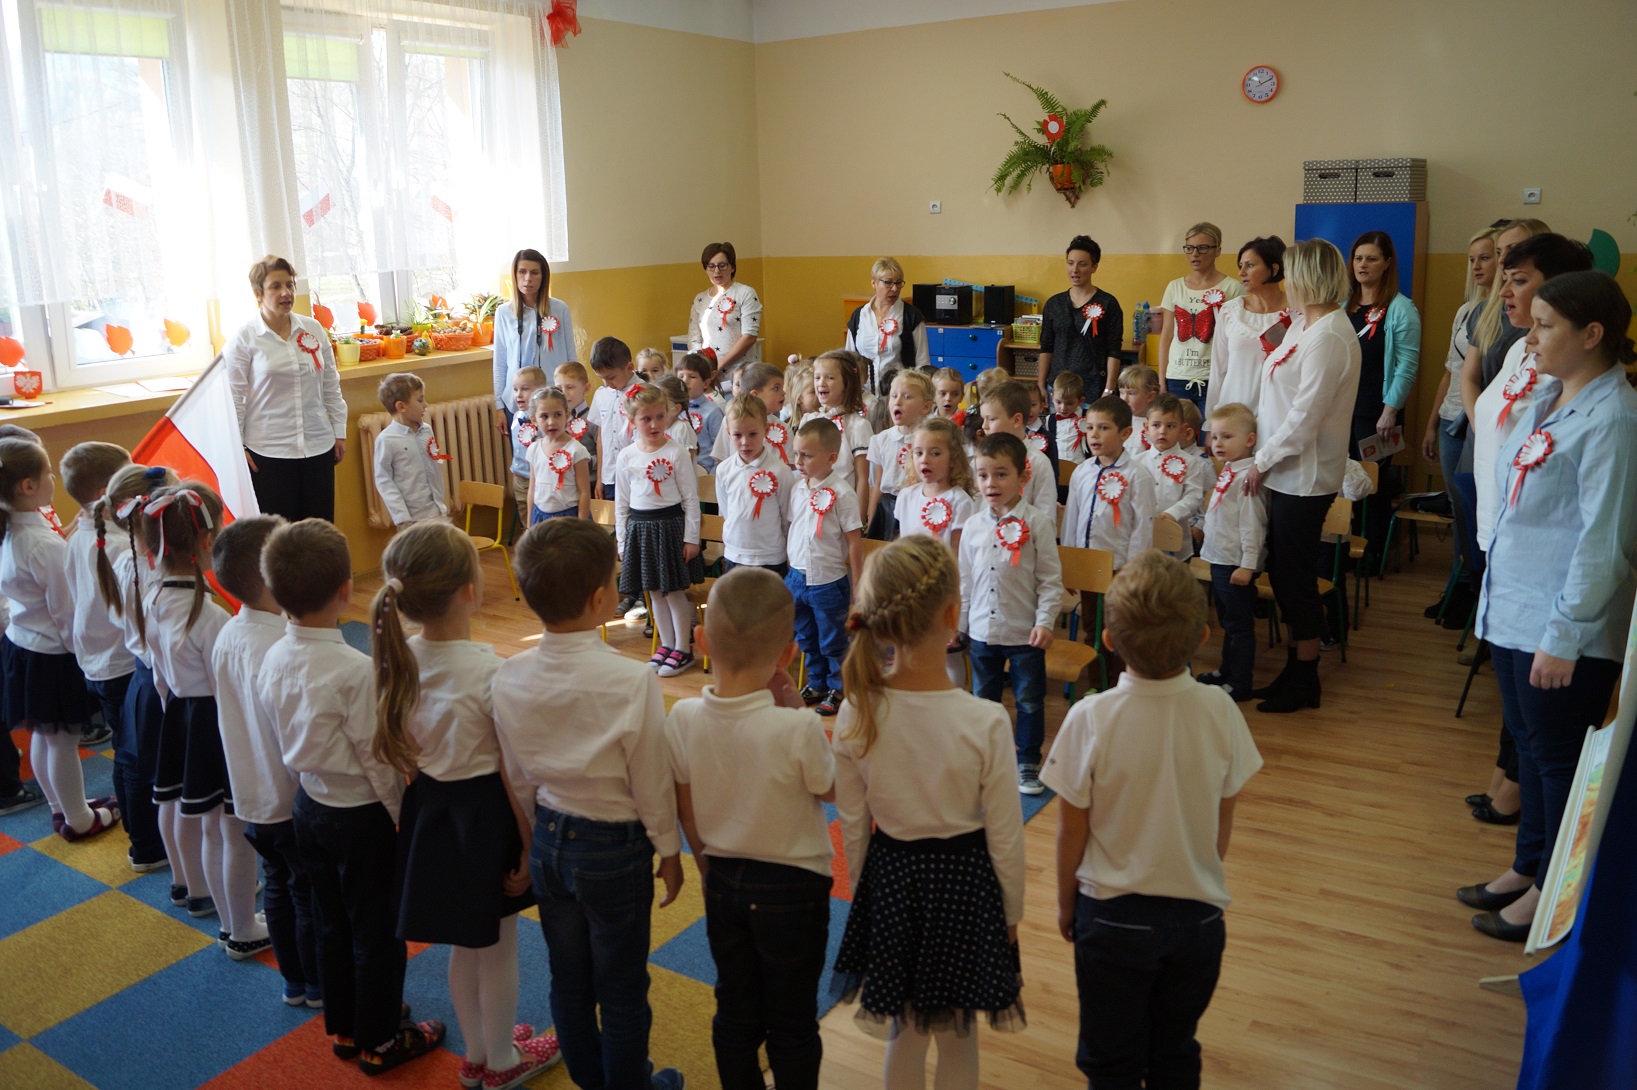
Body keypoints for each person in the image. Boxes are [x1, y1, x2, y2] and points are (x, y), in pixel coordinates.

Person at [1459, 271, 1637, 943]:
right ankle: (1527, 864)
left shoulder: (1614, 418)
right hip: (1515, 611)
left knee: (1557, 762)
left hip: (1560, 628)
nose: (1528, 338)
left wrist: (1565, 633)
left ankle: (1553, 895)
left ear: (1591, 335)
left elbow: (1604, 542)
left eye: (1543, 326)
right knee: (1528, 754)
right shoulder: (1554, 398)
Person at [1043, 550, 1262, 1090]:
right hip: (1198, 920)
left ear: (1109, 641)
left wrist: (1067, 904)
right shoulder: (1220, 710)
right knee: (1174, 1052)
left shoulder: (1090, 716)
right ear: (1203, 634)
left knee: (1110, 1060)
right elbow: (1223, 817)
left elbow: (1072, 829)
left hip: (1110, 918)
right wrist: (1197, 871)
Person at [493, 518, 687, 1090]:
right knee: (622, 988)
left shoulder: (508, 675)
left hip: (550, 840)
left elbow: (517, 777)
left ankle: (590, 1080)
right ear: (602, 599)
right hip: (614, 850)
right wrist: (669, 849)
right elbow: (651, 779)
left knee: (569, 981)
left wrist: (533, 840)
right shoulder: (632, 681)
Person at [369, 522, 561, 1085]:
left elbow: (405, 756)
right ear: (469, 593)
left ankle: (478, 1052)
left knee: (463, 943)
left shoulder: (398, 658)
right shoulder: (490, 672)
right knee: (497, 947)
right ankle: (501, 1061)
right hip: (484, 817)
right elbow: (514, 773)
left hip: (430, 812)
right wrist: (528, 845)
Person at [832, 536, 1027, 1087]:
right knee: (959, 1037)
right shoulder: (986, 721)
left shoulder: (855, 712)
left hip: (893, 884)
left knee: (907, 1031)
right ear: (951, 615)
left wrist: (867, 902)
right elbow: (1006, 838)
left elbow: (852, 830)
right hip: (965, 889)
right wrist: (1011, 914)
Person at [260, 519, 445, 1073]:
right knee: (377, 932)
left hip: (308, 807)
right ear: (346, 590)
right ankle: (380, 1040)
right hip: (361, 817)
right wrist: (400, 818)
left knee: (331, 922)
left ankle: (348, 1025)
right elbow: (378, 759)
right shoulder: (354, 671)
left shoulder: (274, 657)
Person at [667, 568, 836, 1090]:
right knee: (793, 1021)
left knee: (735, 1011)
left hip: (723, 879)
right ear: (789, 654)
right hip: (795, 889)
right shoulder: (799, 725)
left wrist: (704, 866)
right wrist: (795, 708)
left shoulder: (683, 717)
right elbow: (832, 790)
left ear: (700, 641)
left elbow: (686, 811)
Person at [141, 481, 270, 957]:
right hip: (216, 723)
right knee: (232, 831)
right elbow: (229, 687)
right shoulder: (211, 616)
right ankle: (242, 928)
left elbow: (158, 675)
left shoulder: (153, 597)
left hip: (182, 715)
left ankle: (227, 916)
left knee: (211, 826)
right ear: (208, 541)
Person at [210, 514, 323, 1008]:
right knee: (308, 893)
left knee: (278, 884)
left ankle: (295, 981)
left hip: (250, 791)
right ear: (270, 576)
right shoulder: (279, 645)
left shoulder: (230, 633)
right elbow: (293, 730)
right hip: (287, 793)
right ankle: (318, 984)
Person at [1246, 238, 1360, 714]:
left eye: (1290, 273)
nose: (1285, 282)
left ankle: (1306, 677)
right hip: (1283, 469)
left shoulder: (1330, 335)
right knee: (1283, 572)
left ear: (1309, 278)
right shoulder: (1304, 324)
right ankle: (1293, 669)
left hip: (1304, 475)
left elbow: (1305, 417)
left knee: (1295, 578)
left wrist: (1261, 460)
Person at [0, 437, 118, 842]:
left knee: (44, 735)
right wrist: (81, 654)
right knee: (64, 742)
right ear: (28, 486)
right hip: (53, 654)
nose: (54, 478)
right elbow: (66, 612)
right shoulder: (43, 545)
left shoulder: (15, 530)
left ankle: (60, 807)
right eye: (48, 472)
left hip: (23, 646)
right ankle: (79, 818)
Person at [961, 433, 1063, 796]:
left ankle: (1028, 761)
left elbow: (1050, 581)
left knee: (1029, 700)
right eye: (983, 475)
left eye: (1001, 474)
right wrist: (960, 625)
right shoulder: (973, 526)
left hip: (1024, 633)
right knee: (983, 700)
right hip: (981, 633)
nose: (990, 483)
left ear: (1023, 476)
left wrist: (1045, 622)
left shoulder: (1038, 523)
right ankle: (985, 758)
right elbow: (965, 581)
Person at [96, 464, 179, 880]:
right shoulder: (158, 574)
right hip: (163, 681)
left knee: (137, 763)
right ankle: (157, 849)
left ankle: (144, 845)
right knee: (162, 773)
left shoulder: (125, 559)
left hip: (143, 676)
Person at [223, 256, 347, 523]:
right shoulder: (244, 337)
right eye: (276, 286)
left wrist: (339, 431)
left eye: (290, 285)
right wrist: (238, 446)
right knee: (279, 536)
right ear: (258, 294)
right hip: (269, 453)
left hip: (318, 446)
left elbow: (330, 384)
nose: (286, 293)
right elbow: (233, 396)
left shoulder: (313, 329)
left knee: (318, 532)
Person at [60, 443, 140, 840]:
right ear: (108, 492)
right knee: (133, 755)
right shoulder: (117, 547)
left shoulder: (79, 537)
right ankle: (144, 839)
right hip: (121, 664)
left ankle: (140, 831)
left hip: (97, 662)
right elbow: (129, 616)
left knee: (125, 749)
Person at [1418, 227, 1497, 626]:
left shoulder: (1507, 315)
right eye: (1472, 259)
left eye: (1486, 257)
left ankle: (1471, 588)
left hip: (1481, 422)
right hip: (1453, 417)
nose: (1477, 266)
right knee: (1458, 506)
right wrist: (1432, 423)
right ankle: (1458, 584)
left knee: (1479, 509)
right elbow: (1451, 372)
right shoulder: (1466, 311)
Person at [615, 385, 704, 678]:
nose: (654, 424)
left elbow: (691, 498)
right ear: (632, 421)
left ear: (667, 415)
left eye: (659, 417)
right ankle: (666, 645)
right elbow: (622, 504)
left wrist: (691, 538)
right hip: (640, 530)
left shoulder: (676, 452)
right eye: (646, 419)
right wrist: (622, 542)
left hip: (670, 528)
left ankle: (683, 649)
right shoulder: (626, 456)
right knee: (654, 591)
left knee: (674, 592)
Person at [1344, 231, 1422, 555]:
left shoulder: (1401, 308)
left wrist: (1390, 411)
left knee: (1370, 483)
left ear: (1387, 263)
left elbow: (1406, 366)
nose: (1363, 265)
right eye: (1358, 258)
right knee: (1343, 481)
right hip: (1342, 409)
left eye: (1372, 259)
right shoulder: (1343, 305)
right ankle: (1345, 549)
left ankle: (1372, 553)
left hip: (1378, 414)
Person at [787, 419, 865, 718]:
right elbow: (795, 529)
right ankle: (817, 682)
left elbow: (854, 542)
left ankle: (838, 687)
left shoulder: (842, 493)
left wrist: (857, 586)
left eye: (807, 455)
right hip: (797, 577)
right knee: (806, 635)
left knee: (832, 640)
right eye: (797, 454)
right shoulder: (798, 489)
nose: (799, 461)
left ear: (832, 457)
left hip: (828, 581)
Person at [1197, 403, 1269, 701]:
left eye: (1227, 437)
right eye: (1215, 437)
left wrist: (1248, 565)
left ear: (1250, 440)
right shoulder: (1228, 471)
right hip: (1220, 557)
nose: (1218, 443)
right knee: (1227, 621)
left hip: (1235, 564)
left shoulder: (1246, 480)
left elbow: (1253, 526)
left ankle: (1240, 683)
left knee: (1239, 626)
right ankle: (1226, 671)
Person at [1064, 396, 1158, 570]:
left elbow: (1143, 528)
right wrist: (1069, 560)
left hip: (1118, 567)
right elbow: (1071, 520)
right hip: (1082, 564)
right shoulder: (1081, 471)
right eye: (1090, 427)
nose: (1094, 434)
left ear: (1125, 433)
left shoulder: (1138, 476)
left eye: (1103, 428)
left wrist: (1132, 570)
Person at [1158, 223, 1244, 413]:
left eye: (1202, 248)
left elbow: (1237, 337)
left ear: (1218, 251)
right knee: (1177, 428)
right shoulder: (1174, 287)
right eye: (1189, 248)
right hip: (1178, 377)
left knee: (1211, 430)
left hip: (1215, 377)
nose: (1195, 254)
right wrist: (1162, 378)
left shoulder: (1233, 288)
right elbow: (1167, 335)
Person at [491, 247, 577, 435]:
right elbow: (500, 363)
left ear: (543, 276)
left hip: (552, 401)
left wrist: (574, 397)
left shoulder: (560, 309)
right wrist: (499, 407)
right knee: (522, 453)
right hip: (517, 403)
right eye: (522, 272)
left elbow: (571, 358)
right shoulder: (503, 313)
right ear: (515, 275)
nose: (528, 278)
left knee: (555, 451)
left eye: (535, 272)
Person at [1205, 236, 1289, 425]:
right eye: (1240, 265)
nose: (1241, 272)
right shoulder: (1230, 311)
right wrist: (1211, 422)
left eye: (1250, 265)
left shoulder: (1297, 312)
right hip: (1233, 418)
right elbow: (1218, 370)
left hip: (1279, 417)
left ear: (1274, 269)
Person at [1039, 235, 1125, 403]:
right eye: (1070, 263)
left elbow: (1114, 350)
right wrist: (1041, 384)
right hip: (1059, 392)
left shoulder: (1108, 303)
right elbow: (1046, 347)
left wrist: (1108, 389)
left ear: (1094, 267)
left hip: (1093, 389)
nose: (1075, 270)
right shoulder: (1054, 304)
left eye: (1082, 264)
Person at [716, 394, 795, 575]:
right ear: (728, 432)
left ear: (765, 430)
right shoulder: (723, 470)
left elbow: (786, 519)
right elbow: (726, 511)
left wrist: (785, 554)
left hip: (770, 557)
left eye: (752, 434)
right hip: (735, 554)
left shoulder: (781, 471)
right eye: (737, 435)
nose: (745, 442)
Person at [1141, 393, 1213, 560]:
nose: (1162, 431)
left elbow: (1194, 496)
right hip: (1143, 542)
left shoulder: (1191, 462)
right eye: (1156, 425)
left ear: (1182, 429)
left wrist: (1172, 513)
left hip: (1177, 544)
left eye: (1171, 426)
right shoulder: (1137, 461)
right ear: (1146, 428)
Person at [372, 372, 449, 528]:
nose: (425, 405)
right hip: (411, 519)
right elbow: (384, 480)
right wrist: (401, 516)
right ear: (401, 407)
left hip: (436, 511)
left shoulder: (426, 430)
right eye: (420, 400)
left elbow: (433, 468)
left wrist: (440, 504)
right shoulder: (386, 440)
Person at [846, 258, 930, 396]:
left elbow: (922, 362)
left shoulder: (911, 316)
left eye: (898, 283)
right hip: (864, 394)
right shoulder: (859, 316)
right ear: (874, 283)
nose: (895, 288)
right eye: (888, 283)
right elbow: (849, 360)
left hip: (899, 393)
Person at [865, 370, 933, 541]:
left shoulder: (932, 440)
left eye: (907, 397)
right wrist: (871, 521)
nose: (898, 401)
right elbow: (878, 485)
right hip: (888, 509)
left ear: (926, 407)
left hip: (920, 506)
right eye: (894, 396)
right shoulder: (881, 440)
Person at [979, 380, 1057, 516]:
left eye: (991, 419)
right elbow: (977, 507)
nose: (984, 426)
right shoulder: (982, 458)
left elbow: (1046, 515)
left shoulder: (1039, 463)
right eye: (983, 419)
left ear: (1016, 420)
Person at [524, 387, 592, 524]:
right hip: (540, 516)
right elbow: (532, 489)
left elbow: (584, 492)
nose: (551, 422)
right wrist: (529, 525)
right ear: (534, 420)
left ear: (567, 415)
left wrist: (581, 526)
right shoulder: (534, 449)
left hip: (569, 518)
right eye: (544, 416)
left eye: (557, 415)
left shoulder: (576, 450)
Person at [690, 242, 762, 371]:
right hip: (709, 371)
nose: (717, 271)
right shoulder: (700, 299)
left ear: (732, 267)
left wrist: (719, 366)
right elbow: (694, 338)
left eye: (722, 265)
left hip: (741, 371)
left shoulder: (745, 293)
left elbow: (749, 336)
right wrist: (703, 369)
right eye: (711, 266)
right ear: (706, 269)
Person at [811, 350, 873, 500]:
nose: (821, 383)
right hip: (813, 504)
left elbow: (862, 479)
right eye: (817, 377)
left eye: (830, 378)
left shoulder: (858, 426)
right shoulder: (809, 421)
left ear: (847, 383)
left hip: (843, 505)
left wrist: (859, 514)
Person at [590, 337, 640, 505]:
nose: (607, 383)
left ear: (629, 367)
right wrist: (599, 478)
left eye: (611, 377)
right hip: (610, 476)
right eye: (601, 378)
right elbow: (601, 438)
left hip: (636, 474)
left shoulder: (645, 393)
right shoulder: (601, 394)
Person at [711, 361, 789, 467]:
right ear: (755, 395)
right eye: (776, 388)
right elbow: (721, 457)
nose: (783, 393)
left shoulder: (784, 428)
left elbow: (789, 465)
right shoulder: (730, 420)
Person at [506, 366, 551, 527]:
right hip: (520, 479)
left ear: (541, 390)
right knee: (526, 520)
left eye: (525, 389)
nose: (519, 394)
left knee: (541, 522)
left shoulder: (544, 422)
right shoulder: (516, 417)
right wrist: (515, 471)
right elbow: (517, 449)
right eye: (515, 389)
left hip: (540, 480)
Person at [676, 353, 725, 473]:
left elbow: (721, 448)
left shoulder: (713, 411)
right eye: (681, 376)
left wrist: (713, 475)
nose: (685, 381)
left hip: (705, 471)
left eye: (692, 377)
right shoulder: (674, 410)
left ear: (706, 383)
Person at [554, 361, 598, 480]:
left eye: (570, 387)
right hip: (565, 483)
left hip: (589, 482)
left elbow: (604, 456)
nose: (564, 393)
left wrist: (584, 462)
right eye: (559, 388)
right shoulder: (556, 420)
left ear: (586, 388)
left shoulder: (594, 419)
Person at [657, 375, 701, 472]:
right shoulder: (656, 428)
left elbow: (686, 467)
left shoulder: (682, 429)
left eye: (661, 403)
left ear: (676, 409)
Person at [1117, 365, 1160, 459]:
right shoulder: (1118, 422)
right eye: (1122, 392)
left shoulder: (1158, 425)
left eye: (1131, 393)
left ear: (1150, 396)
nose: (1124, 399)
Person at [1053, 372, 1089, 467]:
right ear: (1052, 397)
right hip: (1058, 467)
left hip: (1081, 466)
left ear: (1080, 401)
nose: (1063, 408)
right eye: (1058, 402)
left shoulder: (1087, 417)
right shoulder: (1050, 420)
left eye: (1069, 403)